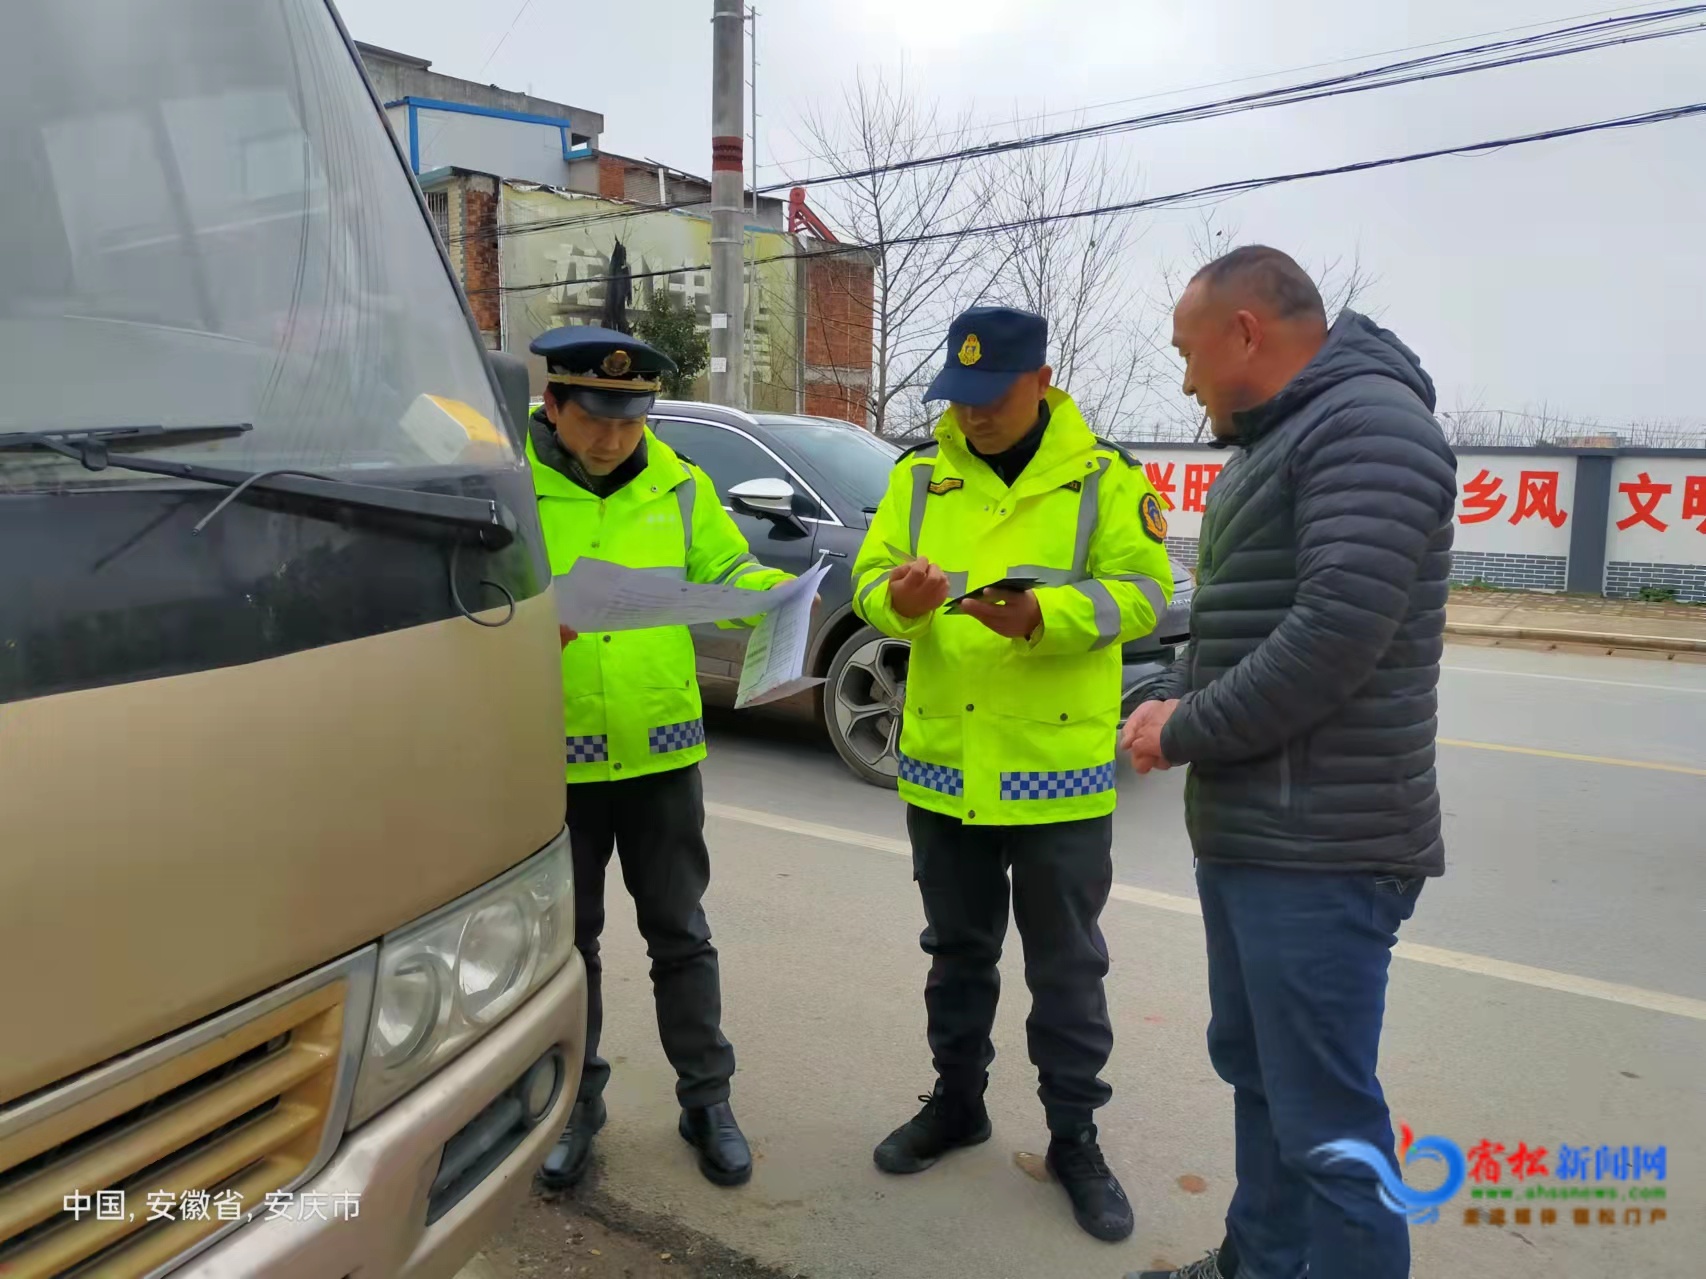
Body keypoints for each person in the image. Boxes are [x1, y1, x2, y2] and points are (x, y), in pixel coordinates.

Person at [1121, 248, 1458, 1279]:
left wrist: (1178, 729)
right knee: (1263, 1076)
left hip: (1320, 844)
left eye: (1187, 352)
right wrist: (1159, 696)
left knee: (1325, 1119)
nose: (1183, 379)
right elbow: (1247, 622)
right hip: (1262, 830)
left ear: (1244, 335)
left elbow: (1330, 640)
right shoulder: (1286, 438)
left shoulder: (1368, 428)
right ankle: (1254, 1263)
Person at [852, 306, 1175, 1243]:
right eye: (961, 397)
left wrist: (1045, 616)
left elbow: (1146, 592)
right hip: (947, 765)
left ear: (1041, 380)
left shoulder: (1105, 478)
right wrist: (899, 602)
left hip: (1055, 770)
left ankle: (1075, 1138)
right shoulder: (919, 475)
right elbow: (871, 580)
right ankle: (958, 1104)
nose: (975, 415)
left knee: (1067, 967)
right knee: (955, 953)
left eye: (992, 398)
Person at [527, 325, 793, 1191]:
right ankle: (574, 1106)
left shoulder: (681, 483)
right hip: (551, 763)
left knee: (681, 934)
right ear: (555, 403)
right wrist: (531, 629)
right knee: (571, 948)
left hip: (661, 756)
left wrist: (771, 597)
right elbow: (471, 610)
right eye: (597, 417)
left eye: (631, 419)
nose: (613, 437)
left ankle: (706, 1100)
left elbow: (729, 567)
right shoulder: (513, 488)